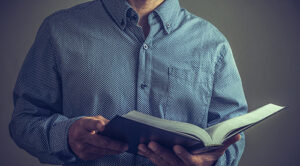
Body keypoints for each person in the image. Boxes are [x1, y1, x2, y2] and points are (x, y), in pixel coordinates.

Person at [9, 0, 248, 165]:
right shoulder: (58, 30)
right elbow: (24, 121)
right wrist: (66, 136)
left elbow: (232, 134)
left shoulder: (213, 44)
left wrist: (213, 162)